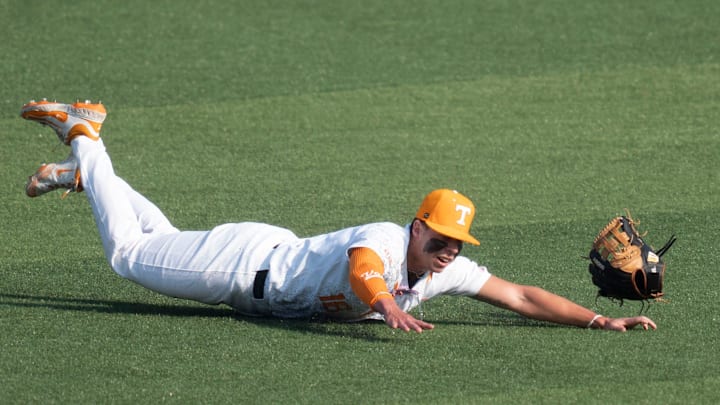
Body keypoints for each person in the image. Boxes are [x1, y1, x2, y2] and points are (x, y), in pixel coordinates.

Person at [19, 99, 657, 333]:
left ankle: (90, 178)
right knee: (129, 257)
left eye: (459, 244)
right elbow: (361, 271)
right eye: (441, 238)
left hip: (257, 263)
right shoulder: (383, 241)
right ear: (418, 226)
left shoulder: (440, 272)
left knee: (158, 239)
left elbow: (518, 294)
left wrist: (597, 316)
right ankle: (87, 138)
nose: (449, 253)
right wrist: (388, 307)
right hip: (241, 268)